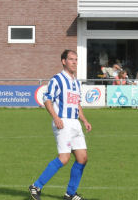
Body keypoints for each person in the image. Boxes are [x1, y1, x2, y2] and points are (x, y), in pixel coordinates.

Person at [29, 50, 92, 200]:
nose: (74, 62)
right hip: (63, 122)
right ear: (63, 61)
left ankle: (70, 194)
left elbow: (77, 104)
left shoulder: (76, 82)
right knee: (64, 158)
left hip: (75, 123)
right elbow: (47, 99)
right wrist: (55, 117)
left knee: (82, 158)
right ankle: (36, 186)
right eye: (71, 59)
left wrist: (84, 120)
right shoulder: (57, 79)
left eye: (76, 59)